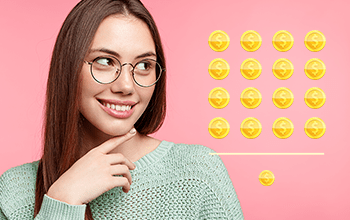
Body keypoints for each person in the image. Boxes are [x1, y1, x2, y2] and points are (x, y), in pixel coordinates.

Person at [0, 0, 244, 219]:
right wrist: (62, 203)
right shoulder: (14, 191)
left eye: (144, 65)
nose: (126, 85)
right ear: (69, 68)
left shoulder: (197, 172)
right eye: (105, 62)